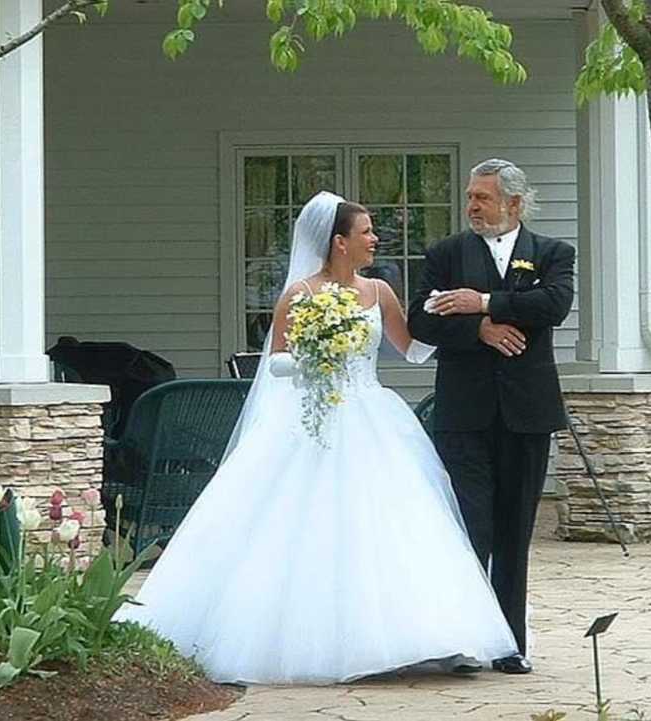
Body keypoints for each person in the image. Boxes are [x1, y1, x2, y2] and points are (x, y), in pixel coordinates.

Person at [115, 191, 517, 684]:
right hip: (316, 419)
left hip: (374, 417)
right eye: (366, 232)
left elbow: (411, 351)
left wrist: (453, 323)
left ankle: (432, 635)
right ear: (339, 242)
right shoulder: (299, 295)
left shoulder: (379, 293)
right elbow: (276, 362)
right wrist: (318, 357)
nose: (374, 239)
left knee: (397, 523)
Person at [407, 159, 575, 674]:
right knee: (470, 527)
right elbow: (419, 320)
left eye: (482, 198)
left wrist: (482, 303)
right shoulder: (445, 254)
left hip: (527, 412)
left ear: (514, 204)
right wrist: (478, 331)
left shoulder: (551, 253)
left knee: (513, 531)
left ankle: (509, 645)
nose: (472, 207)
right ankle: (465, 642)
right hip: (465, 413)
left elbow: (554, 305)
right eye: (470, 197)